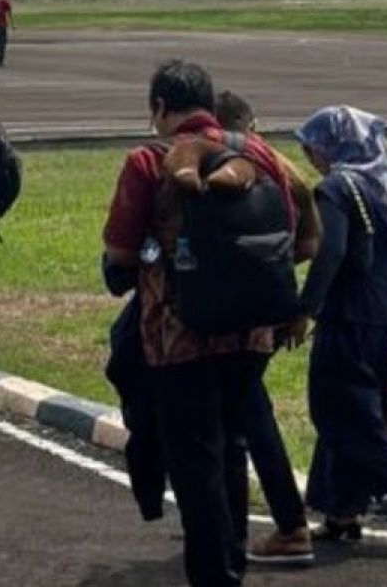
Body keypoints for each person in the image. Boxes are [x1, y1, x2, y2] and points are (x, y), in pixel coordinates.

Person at [102, 60, 312, 587]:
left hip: (180, 339)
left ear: (159, 109)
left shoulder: (147, 162)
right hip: (252, 333)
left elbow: (120, 250)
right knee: (233, 449)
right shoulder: (260, 153)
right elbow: (299, 228)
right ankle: (233, 565)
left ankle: (215, 577)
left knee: (196, 464)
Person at [296, 105, 387, 549]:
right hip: (381, 317)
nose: (312, 159)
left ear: (332, 145)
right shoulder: (386, 188)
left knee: (339, 410)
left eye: (314, 149)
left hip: (348, 317)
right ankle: (342, 512)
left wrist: (306, 308)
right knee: (353, 412)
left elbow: (331, 253)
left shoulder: (337, 189)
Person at [215, 90, 320, 565]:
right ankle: (261, 523)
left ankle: (284, 527)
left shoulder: (237, 165)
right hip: (272, 308)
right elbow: (307, 244)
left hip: (239, 315)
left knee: (248, 419)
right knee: (248, 411)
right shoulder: (284, 171)